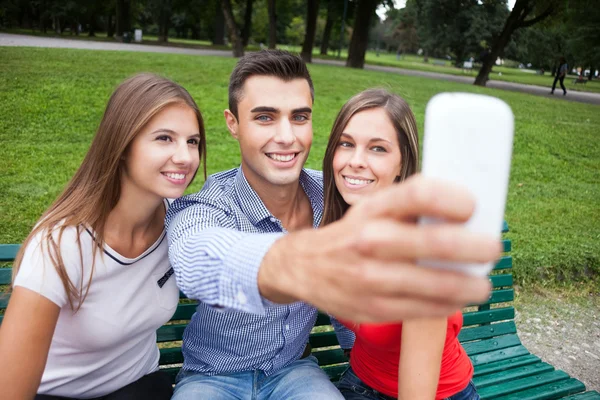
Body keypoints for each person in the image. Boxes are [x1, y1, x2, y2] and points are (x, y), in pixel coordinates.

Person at [166, 50, 500, 399]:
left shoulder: (333, 197)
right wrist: (296, 260)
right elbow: (196, 256)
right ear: (233, 123)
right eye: (264, 117)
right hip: (211, 375)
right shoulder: (210, 205)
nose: (286, 136)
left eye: (299, 117)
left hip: (295, 371)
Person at [0, 73, 206, 400]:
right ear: (122, 146)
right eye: (164, 138)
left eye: (192, 141)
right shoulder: (60, 243)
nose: (185, 157)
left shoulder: (181, 221)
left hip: (141, 389)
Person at [324, 89, 478, 400]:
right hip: (361, 382)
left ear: (402, 163)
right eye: (346, 143)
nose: (355, 161)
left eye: (377, 149)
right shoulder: (340, 221)